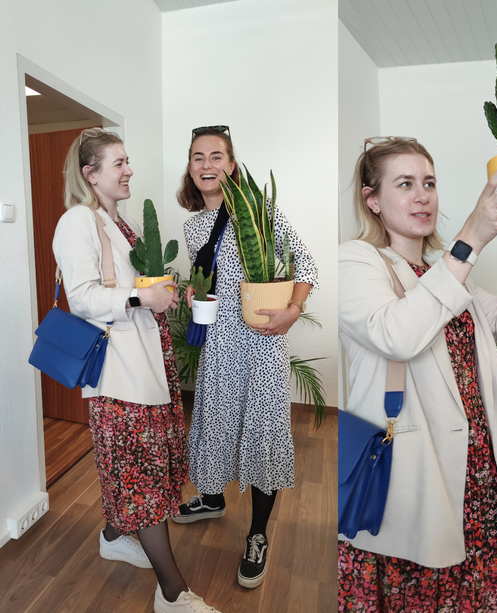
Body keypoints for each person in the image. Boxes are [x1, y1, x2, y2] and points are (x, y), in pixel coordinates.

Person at [337, 137, 497, 612]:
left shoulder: (444, 267)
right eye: (406, 184)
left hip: (480, 471)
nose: (423, 196)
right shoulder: (356, 261)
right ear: (372, 199)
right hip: (418, 467)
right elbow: (396, 334)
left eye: (429, 184)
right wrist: (471, 238)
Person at [53, 128, 220, 613]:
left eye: (127, 161)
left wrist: (164, 294)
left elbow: (135, 284)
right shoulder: (77, 221)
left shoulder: (118, 222)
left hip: (147, 364)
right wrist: (139, 296)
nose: (129, 170)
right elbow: (82, 297)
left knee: (138, 469)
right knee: (142, 476)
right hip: (119, 375)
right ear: (91, 174)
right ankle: (173, 594)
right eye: (119, 163)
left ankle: (111, 535)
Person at [173, 125, 318, 590]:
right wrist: (194, 291)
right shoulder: (193, 225)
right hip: (220, 346)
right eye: (199, 156)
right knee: (215, 424)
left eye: (217, 156)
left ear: (232, 166)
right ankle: (212, 499)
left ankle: (257, 534)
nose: (207, 164)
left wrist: (292, 313)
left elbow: (306, 264)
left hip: (262, 341)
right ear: (190, 166)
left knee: (262, 433)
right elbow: (210, 284)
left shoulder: (259, 211)